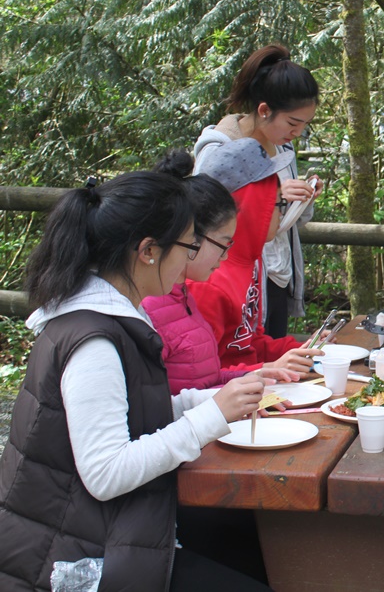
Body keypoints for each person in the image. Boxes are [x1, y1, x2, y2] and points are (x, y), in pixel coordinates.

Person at [0, 172, 273, 591]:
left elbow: (136, 413)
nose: (190, 259)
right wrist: (208, 418)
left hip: (111, 526)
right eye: (189, 246)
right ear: (148, 251)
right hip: (74, 559)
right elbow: (106, 473)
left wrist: (214, 400)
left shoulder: (111, 316)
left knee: (258, 542)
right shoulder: (94, 341)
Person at [143, 150, 303, 394]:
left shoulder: (185, 292)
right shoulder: (199, 287)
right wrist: (258, 373)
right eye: (277, 203)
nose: (225, 255)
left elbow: (212, 370)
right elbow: (164, 397)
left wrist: (260, 371)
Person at [194, 44, 322, 338]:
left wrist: (302, 199)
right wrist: (273, 196)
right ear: (264, 110)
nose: (297, 132)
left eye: (305, 125)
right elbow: (201, 219)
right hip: (227, 280)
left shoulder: (283, 148)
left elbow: (289, 222)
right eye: (292, 122)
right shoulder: (219, 149)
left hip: (275, 277)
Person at [190, 138, 324, 375]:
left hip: (250, 383)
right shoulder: (207, 280)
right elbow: (203, 374)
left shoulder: (252, 262)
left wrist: (299, 349)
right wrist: (267, 369)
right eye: (277, 203)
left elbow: (249, 342)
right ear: (253, 206)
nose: (281, 213)